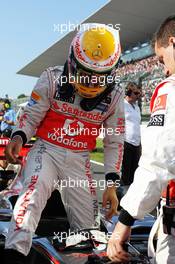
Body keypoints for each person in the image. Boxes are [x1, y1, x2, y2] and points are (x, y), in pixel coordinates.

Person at [3, 23, 125, 263]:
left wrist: (112, 183)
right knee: (32, 196)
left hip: (79, 160)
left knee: (90, 229)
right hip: (46, 150)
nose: (91, 83)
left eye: (99, 77)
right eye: (86, 74)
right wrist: (18, 136)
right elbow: (31, 117)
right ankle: (13, 255)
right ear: (72, 63)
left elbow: (115, 141)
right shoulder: (51, 78)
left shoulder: (116, 96)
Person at [107, 15, 175, 264]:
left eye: (161, 59)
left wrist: (124, 222)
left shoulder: (169, 88)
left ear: (172, 42)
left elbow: (159, 163)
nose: (164, 69)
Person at [121, 82, 141, 185]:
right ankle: (121, 197)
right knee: (125, 173)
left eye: (139, 93)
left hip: (137, 143)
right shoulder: (122, 104)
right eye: (136, 93)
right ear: (128, 92)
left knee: (135, 173)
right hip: (126, 142)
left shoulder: (137, 107)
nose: (138, 95)